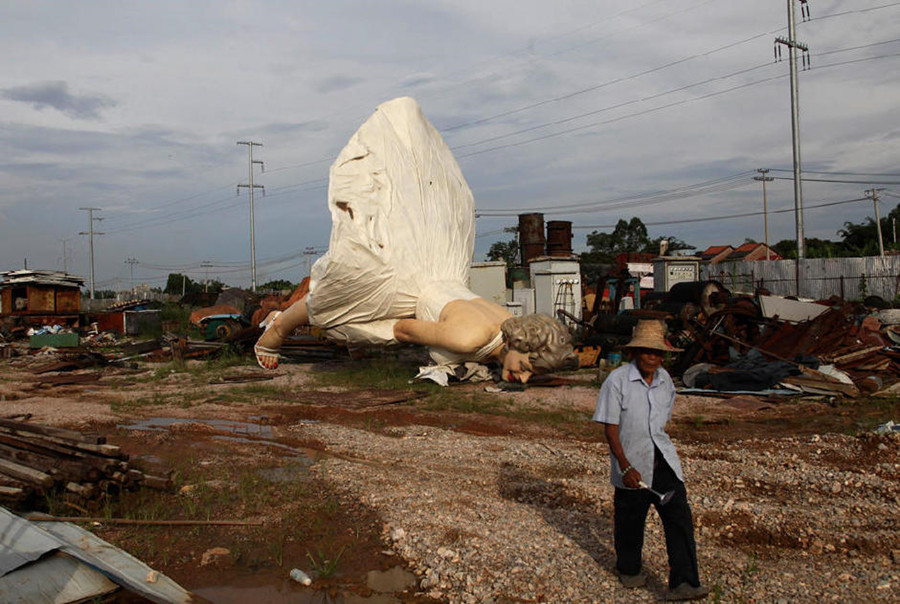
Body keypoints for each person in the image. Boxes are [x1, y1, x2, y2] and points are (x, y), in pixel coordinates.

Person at [254, 96, 578, 382]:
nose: (522, 378)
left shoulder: (509, 324)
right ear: (521, 346)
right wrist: (362, 330)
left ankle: (326, 333)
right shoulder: (469, 338)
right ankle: (278, 329)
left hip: (443, 278)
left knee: (355, 298)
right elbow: (403, 330)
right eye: (526, 368)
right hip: (422, 289)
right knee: (342, 299)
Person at [593, 320, 709, 601]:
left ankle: (684, 582)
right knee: (630, 521)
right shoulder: (617, 381)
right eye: (647, 351)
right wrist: (625, 465)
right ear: (635, 352)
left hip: (663, 458)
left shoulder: (665, 380)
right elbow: (610, 427)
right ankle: (629, 569)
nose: (652, 358)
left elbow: (662, 422)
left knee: (679, 518)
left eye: (657, 353)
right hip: (631, 463)